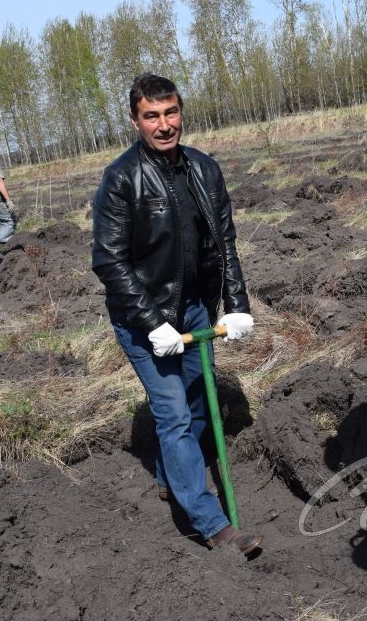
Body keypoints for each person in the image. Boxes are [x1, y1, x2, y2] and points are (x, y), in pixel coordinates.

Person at [91, 74, 262, 556]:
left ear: (181, 112)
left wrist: (238, 306)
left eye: (171, 114)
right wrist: (152, 323)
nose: (164, 126)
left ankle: (171, 476)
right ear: (135, 120)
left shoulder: (204, 169)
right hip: (142, 315)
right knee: (174, 416)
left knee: (202, 404)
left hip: (193, 306)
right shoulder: (122, 178)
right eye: (151, 116)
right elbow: (109, 260)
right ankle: (214, 526)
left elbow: (224, 243)